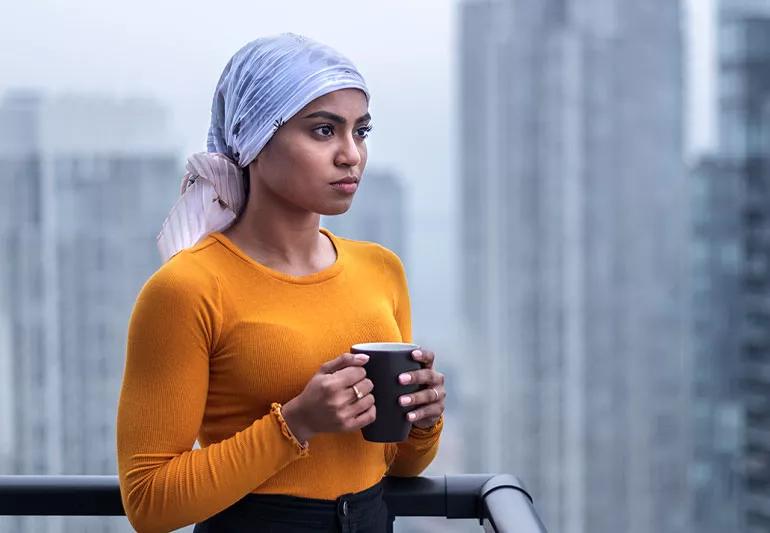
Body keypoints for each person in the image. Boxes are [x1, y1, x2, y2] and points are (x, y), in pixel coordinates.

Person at [116, 33, 446, 533]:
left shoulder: (381, 269)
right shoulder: (186, 288)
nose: (350, 154)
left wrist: (423, 421)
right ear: (254, 137)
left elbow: (397, 464)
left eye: (360, 131)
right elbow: (149, 501)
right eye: (323, 131)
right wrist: (295, 423)